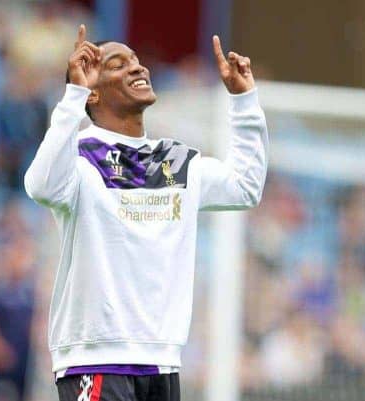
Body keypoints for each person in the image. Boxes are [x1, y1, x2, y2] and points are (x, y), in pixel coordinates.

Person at [24, 24, 268, 401]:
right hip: (97, 359)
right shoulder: (81, 155)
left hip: (161, 360)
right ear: (92, 91)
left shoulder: (175, 159)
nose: (137, 68)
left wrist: (244, 102)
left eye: (136, 61)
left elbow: (245, 186)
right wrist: (72, 95)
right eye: (118, 65)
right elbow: (39, 185)